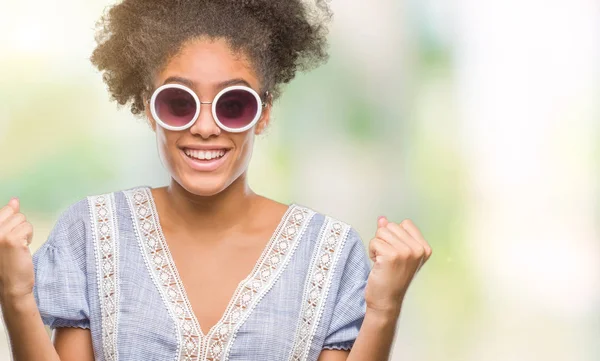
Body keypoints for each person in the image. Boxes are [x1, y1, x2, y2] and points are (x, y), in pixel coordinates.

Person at [0, 1, 432, 360]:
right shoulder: (91, 233)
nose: (205, 126)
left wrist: (383, 309)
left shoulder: (332, 253)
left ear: (263, 115)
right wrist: (16, 296)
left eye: (234, 104)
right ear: (150, 109)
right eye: (178, 102)